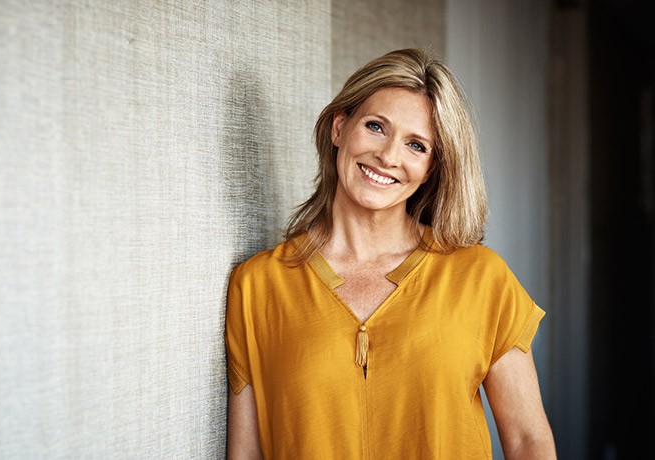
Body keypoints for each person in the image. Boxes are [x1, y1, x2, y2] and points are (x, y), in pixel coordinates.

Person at [224, 47, 556, 459]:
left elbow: (528, 441)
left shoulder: (481, 278)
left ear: (432, 167)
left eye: (417, 145)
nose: (388, 156)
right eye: (376, 126)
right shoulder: (258, 285)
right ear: (339, 128)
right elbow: (246, 453)